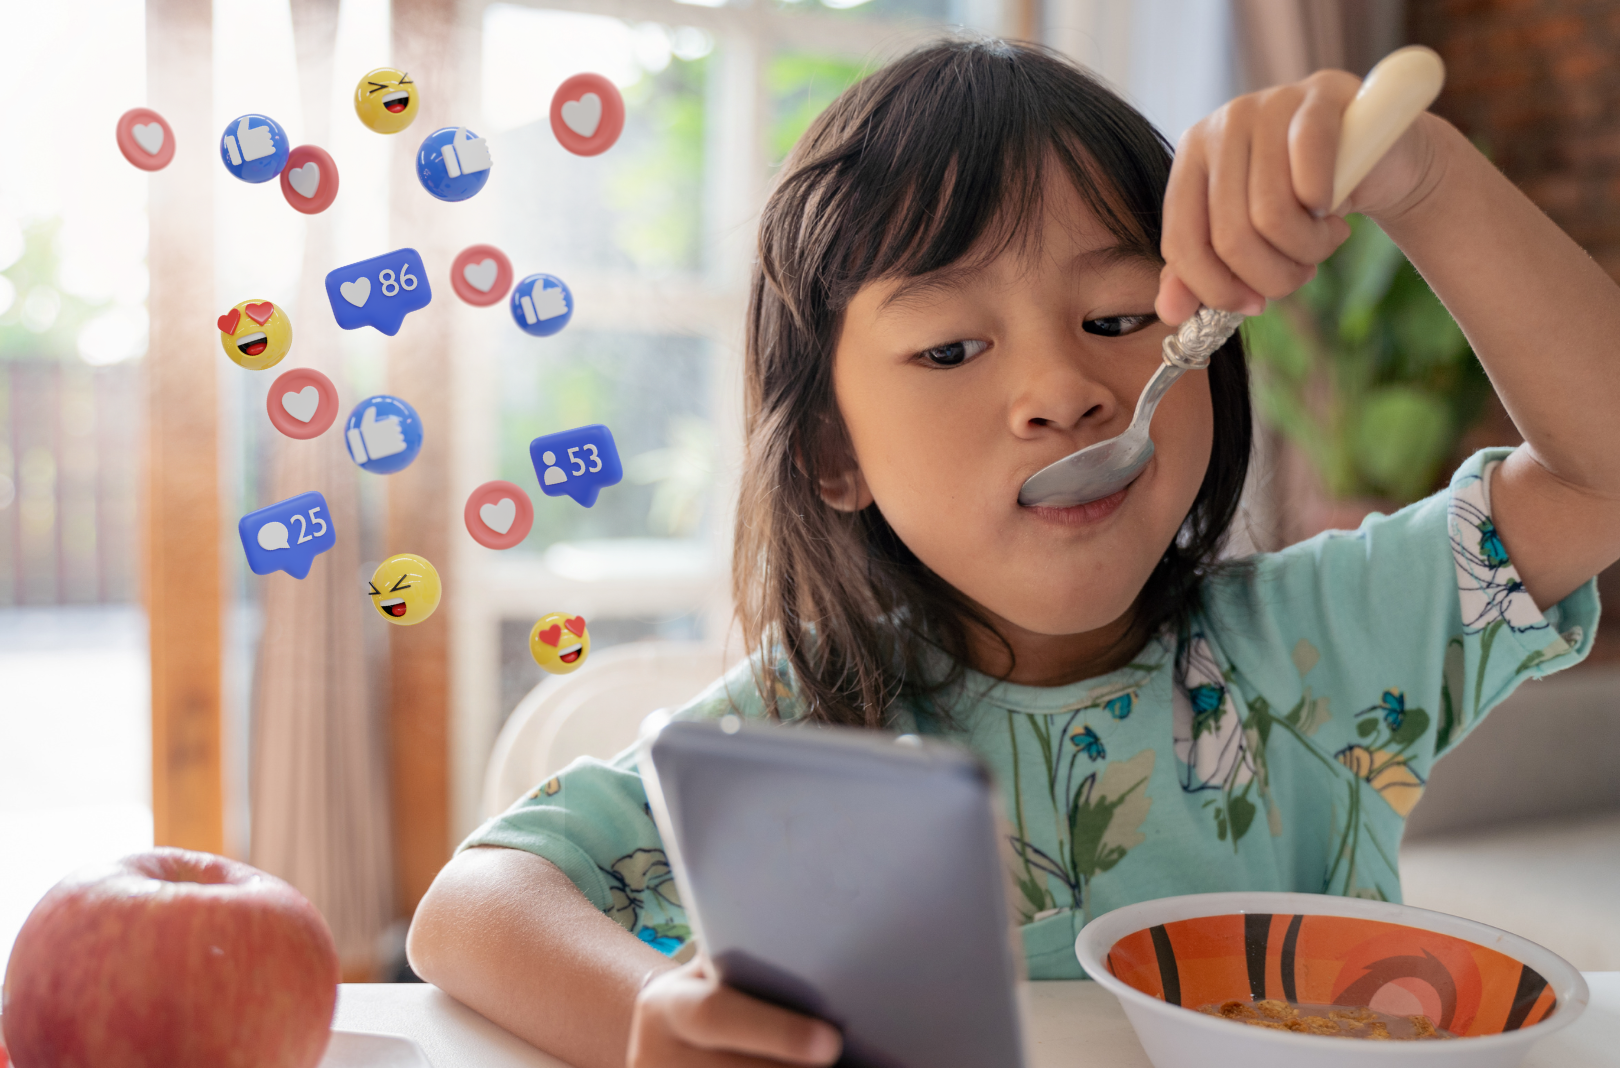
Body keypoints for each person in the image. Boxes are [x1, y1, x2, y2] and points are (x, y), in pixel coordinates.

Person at [406, 37, 1620, 1068]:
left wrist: (1418, 174)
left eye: (1118, 318)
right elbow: (474, 903)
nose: (1061, 390)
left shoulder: (1326, 645)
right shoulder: (806, 723)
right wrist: (643, 1012)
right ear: (833, 452)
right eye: (950, 349)